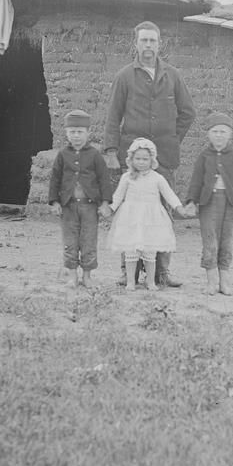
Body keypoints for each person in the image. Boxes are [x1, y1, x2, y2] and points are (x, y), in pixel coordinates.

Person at [103, 21, 196, 287]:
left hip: (164, 157)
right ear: (136, 44)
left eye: (152, 41)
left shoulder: (173, 76)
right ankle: (127, 271)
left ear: (160, 44)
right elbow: (113, 115)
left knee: (163, 215)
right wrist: (111, 150)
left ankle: (162, 272)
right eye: (143, 41)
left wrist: (171, 138)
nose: (148, 46)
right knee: (130, 214)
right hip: (132, 157)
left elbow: (188, 112)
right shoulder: (125, 76)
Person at [107, 138, 195, 292]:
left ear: (152, 160)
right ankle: (130, 281)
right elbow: (117, 196)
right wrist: (110, 208)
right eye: (138, 159)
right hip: (131, 218)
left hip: (151, 219)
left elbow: (169, 195)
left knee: (150, 250)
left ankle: (150, 282)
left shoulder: (157, 178)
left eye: (145, 159)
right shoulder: (127, 177)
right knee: (131, 250)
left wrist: (179, 208)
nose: (141, 162)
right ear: (131, 159)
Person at [184, 113, 233, 295]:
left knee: (227, 242)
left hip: (230, 205)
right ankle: (211, 283)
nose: (219, 135)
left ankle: (224, 283)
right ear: (208, 134)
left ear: (230, 135)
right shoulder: (204, 156)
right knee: (210, 242)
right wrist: (191, 202)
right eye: (215, 131)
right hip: (208, 204)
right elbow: (196, 182)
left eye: (223, 131)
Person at [48, 109, 114, 288]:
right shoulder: (62, 155)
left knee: (89, 241)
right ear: (67, 133)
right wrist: (54, 202)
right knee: (70, 241)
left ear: (88, 133)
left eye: (80, 132)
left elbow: (104, 179)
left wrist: (105, 203)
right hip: (68, 207)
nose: (76, 136)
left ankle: (87, 276)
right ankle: (72, 276)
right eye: (72, 132)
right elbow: (55, 178)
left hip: (90, 207)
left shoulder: (95, 155)